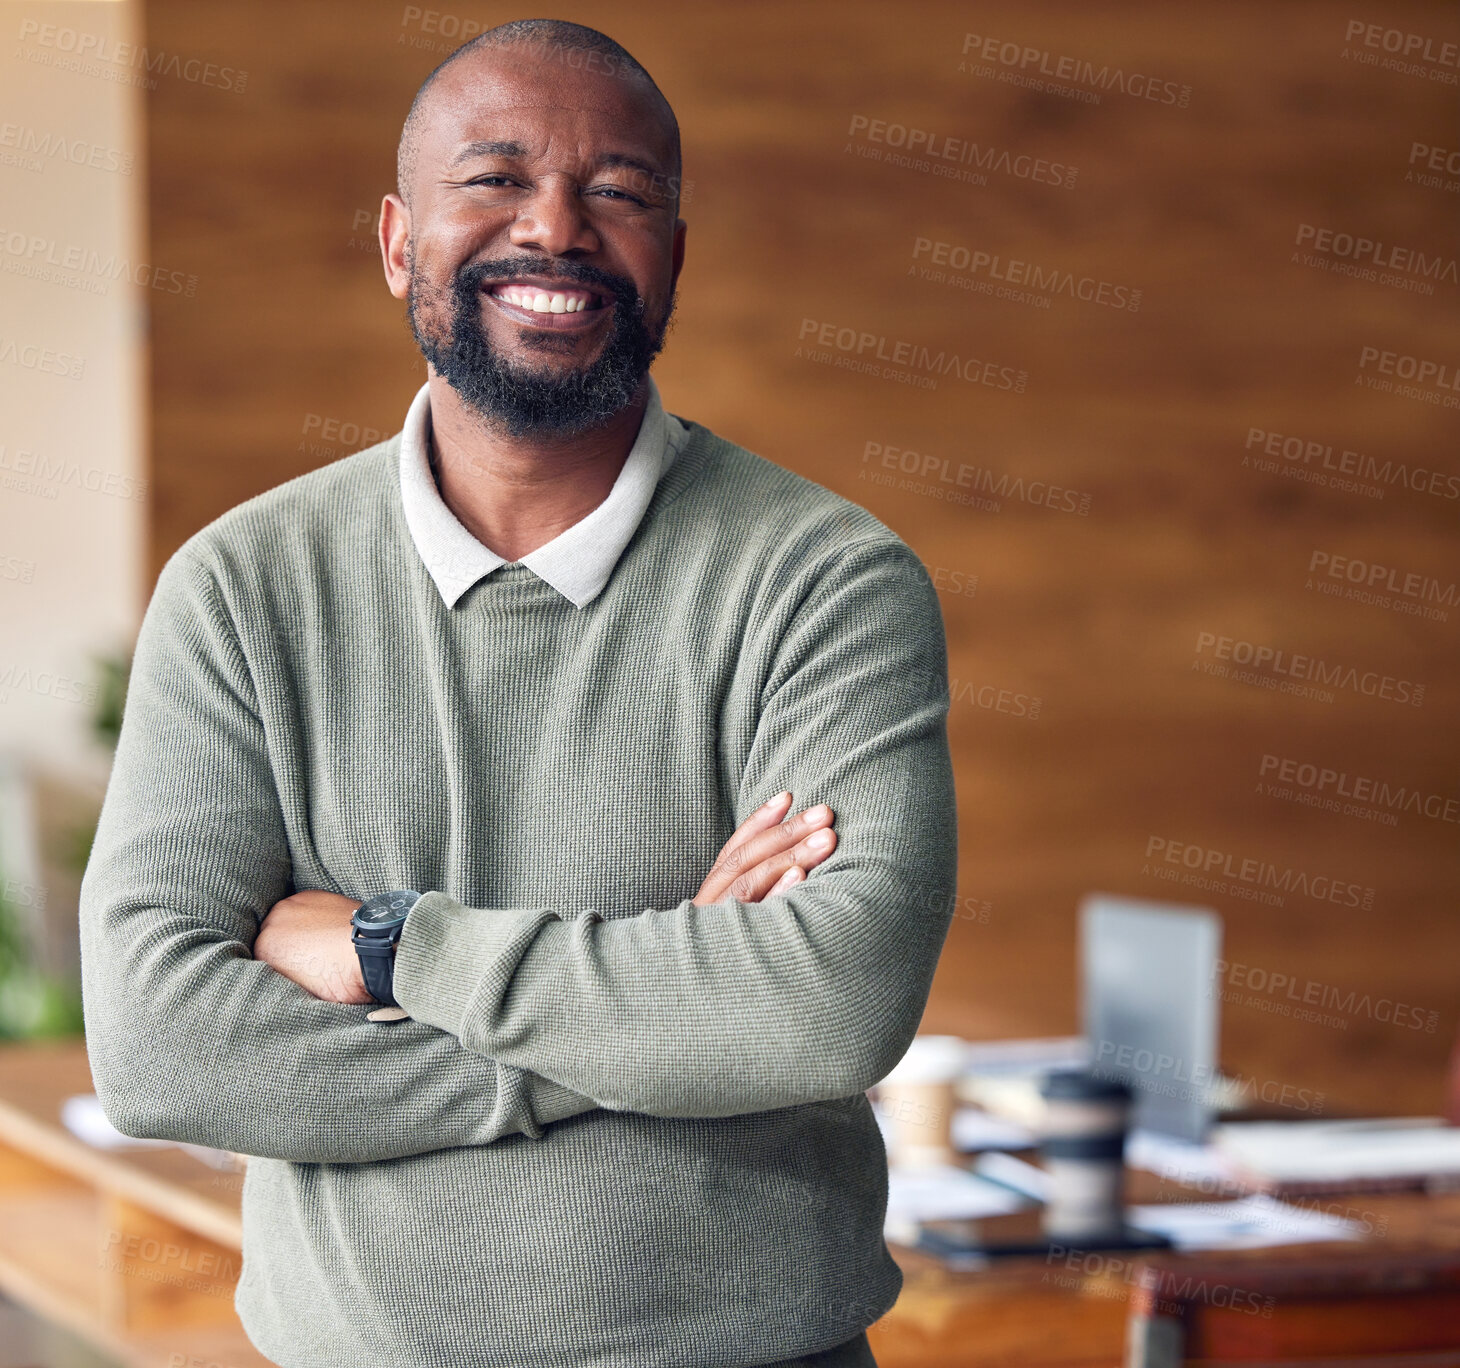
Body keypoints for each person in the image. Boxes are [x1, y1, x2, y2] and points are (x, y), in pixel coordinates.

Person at [79, 17, 957, 1368]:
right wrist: (654, 1012)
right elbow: (161, 1048)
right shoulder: (244, 589)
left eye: (620, 192)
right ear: (394, 242)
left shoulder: (827, 581)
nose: (557, 227)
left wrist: (392, 952)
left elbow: (828, 1004)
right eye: (493, 178)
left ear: (673, 255)